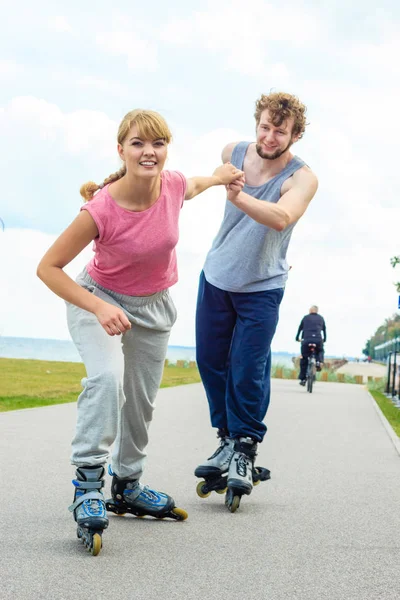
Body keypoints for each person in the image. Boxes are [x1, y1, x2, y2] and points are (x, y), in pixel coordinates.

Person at [37, 108, 243, 554]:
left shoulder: (171, 185)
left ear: (166, 149)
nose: (149, 152)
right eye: (138, 143)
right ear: (121, 150)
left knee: (142, 403)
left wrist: (220, 174)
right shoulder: (100, 209)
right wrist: (97, 305)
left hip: (153, 307)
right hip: (98, 301)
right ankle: (89, 484)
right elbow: (48, 268)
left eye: (158, 143)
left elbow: (194, 186)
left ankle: (127, 484)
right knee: (106, 381)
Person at [194, 92, 318, 512]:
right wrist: (218, 177)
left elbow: (282, 217)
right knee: (211, 361)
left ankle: (245, 447)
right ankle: (226, 441)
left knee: (248, 366)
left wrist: (237, 196)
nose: (268, 136)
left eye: (279, 131)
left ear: (295, 135)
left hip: (262, 288)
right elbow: (220, 169)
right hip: (216, 276)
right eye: (264, 126)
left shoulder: (301, 178)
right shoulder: (235, 151)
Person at [296, 305, 327, 385]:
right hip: (318, 340)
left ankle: (303, 379)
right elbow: (324, 330)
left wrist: (297, 338)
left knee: (304, 358)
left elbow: (300, 328)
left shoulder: (305, 318)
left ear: (310, 310)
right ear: (317, 311)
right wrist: (324, 340)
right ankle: (319, 361)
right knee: (320, 350)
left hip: (306, 340)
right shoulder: (321, 318)